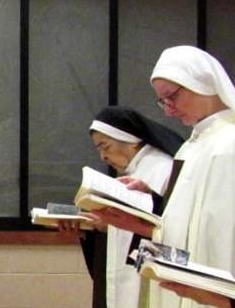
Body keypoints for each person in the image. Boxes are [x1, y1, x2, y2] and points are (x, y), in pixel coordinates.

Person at [95, 45, 235, 308]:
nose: (169, 110)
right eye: (163, 101)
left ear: (201, 82)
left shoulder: (229, 143)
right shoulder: (192, 146)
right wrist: (150, 205)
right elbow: (185, 226)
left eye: (172, 97)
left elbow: (220, 231)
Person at [62, 106, 184, 308]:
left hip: (148, 281)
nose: (103, 157)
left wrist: (110, 223)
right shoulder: (139, 169)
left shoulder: (162, 168)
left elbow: (165, 231)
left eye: (105, 146)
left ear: (130, 141)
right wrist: (92, 229)